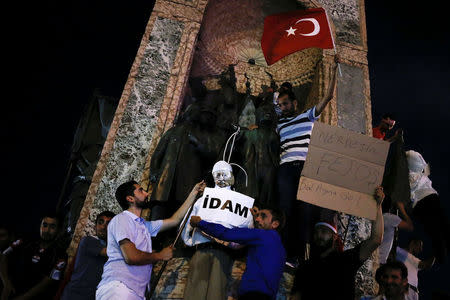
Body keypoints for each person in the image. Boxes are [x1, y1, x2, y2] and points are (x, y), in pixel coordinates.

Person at [95, 180, 206, 300]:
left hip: (134, 292)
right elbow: (131, 257)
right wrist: (160, 255)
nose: (147, 193)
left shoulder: (143, 225)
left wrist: (194, 193)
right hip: (119, 288)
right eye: (140, 190)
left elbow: (174, 220)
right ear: (130, 198)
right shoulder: (122, 219)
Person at [277, 55, 339, 265]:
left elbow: (328, 96)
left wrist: (334, 67)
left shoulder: (307, 116)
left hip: (306, 168)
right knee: (285, 210)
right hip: (285, 169)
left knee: (305, 212)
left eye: (285, 104)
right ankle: (284, 253)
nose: (282, 108)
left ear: (294, 102)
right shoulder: (279, 125)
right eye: (279, 105)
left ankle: (299, 256)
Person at [289, 186, 385, 300]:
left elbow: (376, 239)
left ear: (335, 236)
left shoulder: (346, 260)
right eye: (316, 232)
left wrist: (378, 205)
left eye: (324, 232)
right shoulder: (305, 267)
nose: (319, 236)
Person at [181, 161, 254, 300]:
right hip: (215, 250)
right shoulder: (205, 199)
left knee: (200, 292)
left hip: (212, 250)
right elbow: (248, 230)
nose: (221, 177)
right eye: (218, 174)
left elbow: (186, 226)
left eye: (223, 174)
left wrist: (190, 241)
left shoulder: (204, 200)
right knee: (210, 292)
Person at [189, 205, 286, 300]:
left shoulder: (262, 235)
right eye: (258, 216)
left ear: (275, 224)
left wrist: (200, 223)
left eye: (263, 216)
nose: (257, 219)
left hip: (253, 295)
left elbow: (226, 233)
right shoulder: (281, 249)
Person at [406, 150, 450, 263]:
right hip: (427, 198)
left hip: (418, 204)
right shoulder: (411, 159)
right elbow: (424, 166)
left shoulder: (407, 174)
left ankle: (440, 256)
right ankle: (441, 255)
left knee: (434, 230)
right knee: (440, 227)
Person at [9, 213, 67, 300]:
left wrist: (21, 298)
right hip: (13, 291)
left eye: (52, 227)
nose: (47, 230)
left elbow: (48, 283)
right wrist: (6, 283)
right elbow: (3, 255)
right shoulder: (27, 242)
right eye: (45, 225)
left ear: (59, 230)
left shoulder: (61, 255)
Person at [60, 211, 115, 300]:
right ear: (95, 226)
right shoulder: (88, 241)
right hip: (72, 296)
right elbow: (111, 252)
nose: (104, 226)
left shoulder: (111, 247)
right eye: (100, 222)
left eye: (109, 224)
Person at [379, 199, 414, 264]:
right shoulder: (390, 218)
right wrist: (402, 210)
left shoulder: (380, 216)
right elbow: (410, 227)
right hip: (379, 259)